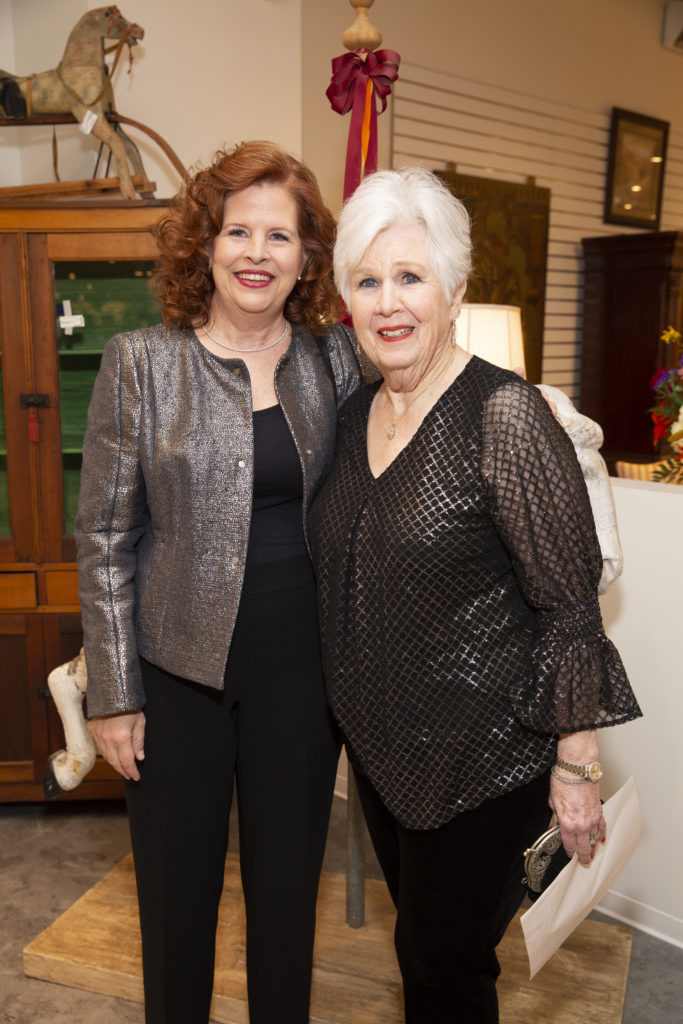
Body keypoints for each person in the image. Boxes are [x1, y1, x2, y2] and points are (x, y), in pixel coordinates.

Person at [308, 167, 642, 1024]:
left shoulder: (505, 416)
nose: (388, 303)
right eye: (367, 282)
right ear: (347, 300)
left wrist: (575, 769)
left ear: (454, 291)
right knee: (425, 955)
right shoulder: (351, 417)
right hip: (383, 756)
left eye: (409, 277)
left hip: (484, 761)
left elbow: (568, 609)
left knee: (442, 969)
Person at [74, 141, 363, 1024]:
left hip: (302, 679)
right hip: (173, 681)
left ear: (307, 257)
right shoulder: (140, 363)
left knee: (287, 905)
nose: (256, 253)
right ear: (204, 243)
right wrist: (114, 694)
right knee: (174, 906)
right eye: (238, 231)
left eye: (279, 236)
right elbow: (104, 537)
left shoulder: (335, 360)